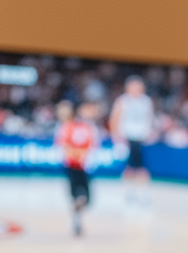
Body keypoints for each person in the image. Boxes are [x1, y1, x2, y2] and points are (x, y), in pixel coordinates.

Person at [54, 100, 99, 236]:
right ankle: (77, 218)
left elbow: (63, 145)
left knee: (76, 196)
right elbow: (93, 145)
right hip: (83, 165)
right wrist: (81, 156)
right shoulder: (86, 127)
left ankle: (77, 218)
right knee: (85, 197)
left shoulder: (68, 126)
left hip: (73, 165)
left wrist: (74, 155)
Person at [108, 75, 155, 204]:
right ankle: (129, 192)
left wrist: (150, 132)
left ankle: (144, 193)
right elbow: (114, 119)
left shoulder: (146, 101)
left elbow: (149, 118)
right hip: (126, 137)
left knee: (142, 168)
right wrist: (116, 137)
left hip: (141, 138)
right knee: (129, 168)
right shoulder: (123, 101)